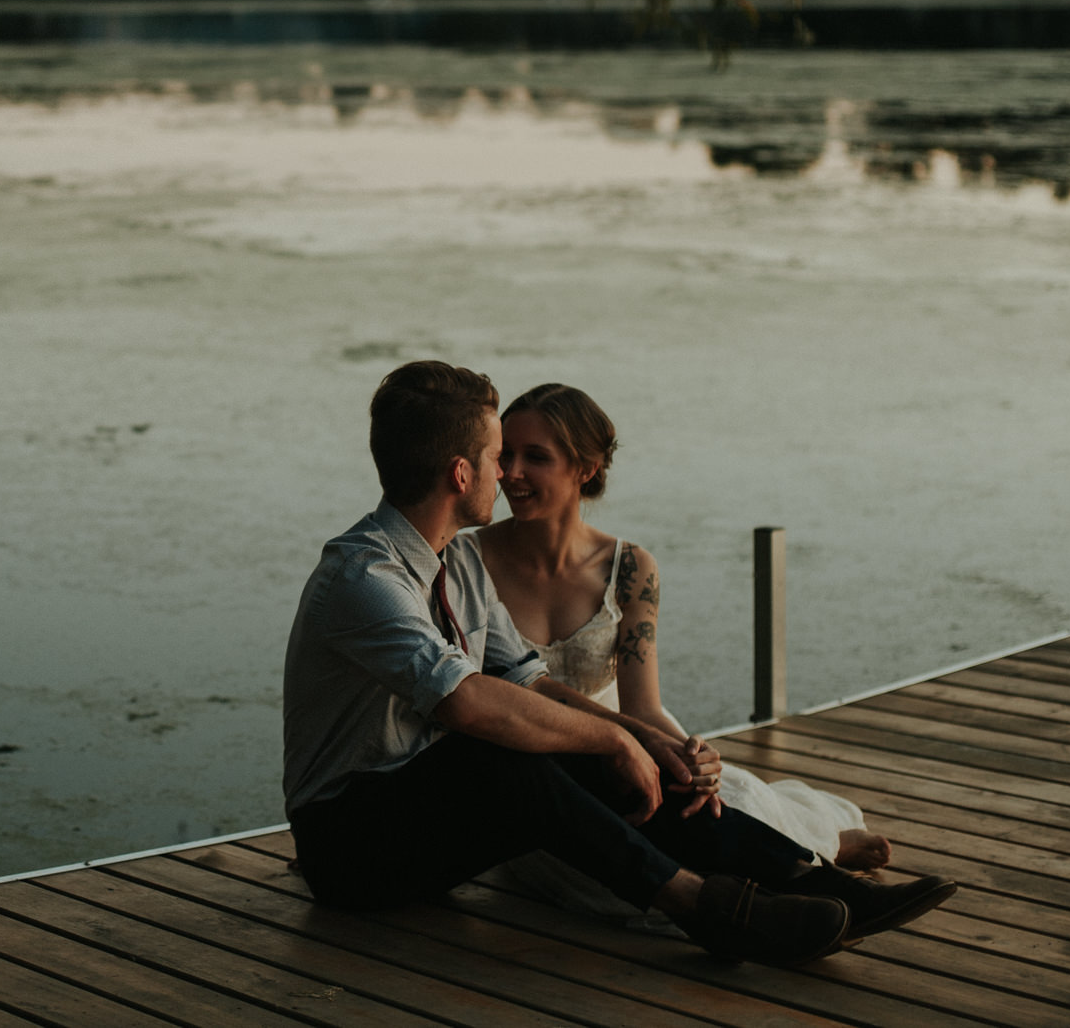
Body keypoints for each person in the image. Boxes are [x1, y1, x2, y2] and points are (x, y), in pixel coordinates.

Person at [283, 360, 954, 966]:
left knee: (577, 743)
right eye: (495, 456)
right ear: (462, 473)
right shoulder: (364, 576)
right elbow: (467, 701)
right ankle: (709, 910)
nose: (506, 473)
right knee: (503, 751)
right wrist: (610, 733)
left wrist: (643, 739)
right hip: (350, 850)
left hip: (430, 827)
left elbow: (529, 680)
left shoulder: (456, 562)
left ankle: (810, 880)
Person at [474, 382, 895, 923]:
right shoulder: (467, 561)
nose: (511, 473)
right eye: (504, 454)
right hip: (540, 769)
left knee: (729, 803)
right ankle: (808, 876)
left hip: (634, 738)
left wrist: (689, 758)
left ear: (586, 467)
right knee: (610, 875)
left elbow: (643, 706)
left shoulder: (628, 568)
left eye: (536, 457)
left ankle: (823, 848)